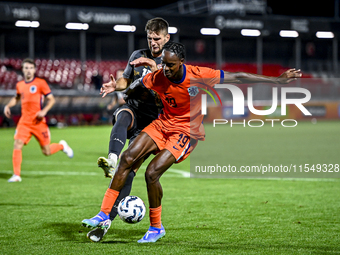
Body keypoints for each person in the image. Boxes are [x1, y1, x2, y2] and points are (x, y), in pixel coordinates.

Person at [83, 41, 302, 243]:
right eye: (164, 65)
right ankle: (103, 213)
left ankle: (156, 227)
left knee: (151, 173)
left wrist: (277, 80)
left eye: (170, 65)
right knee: (127, 157)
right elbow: (138, 85)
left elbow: (238, 77)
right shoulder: (158, 76)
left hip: (187, 132)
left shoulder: (199, 75)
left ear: (181, 63)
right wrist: (118, 88)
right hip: (163, 124)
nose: (166, 69)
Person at [82, 17, 170, 242]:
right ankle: (111, 159)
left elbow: (169, 91)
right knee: (122, 116)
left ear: (166, 38)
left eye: (157, 39)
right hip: (135, 109)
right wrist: (115, 86)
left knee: (129, 169)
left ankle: (107, 219)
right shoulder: (137, 55)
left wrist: (155, 70)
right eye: (150, 38)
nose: (153, 43)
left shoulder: (172, 61)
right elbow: (125, 80)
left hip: (153, 124)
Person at [4, 58, 74, 183]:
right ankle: (16, 175)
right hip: (24, 122)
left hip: (38, 122)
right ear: (23, 70)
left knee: (46, 151)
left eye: (31, 68)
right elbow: (17, 97)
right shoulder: (19, 85)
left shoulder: (40, 83)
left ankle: (62, 146)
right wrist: (8, 106)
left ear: (35, 70)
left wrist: (44, 111)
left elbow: (51, 99)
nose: (28, 70)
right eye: (26, 68)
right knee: (17, 143)